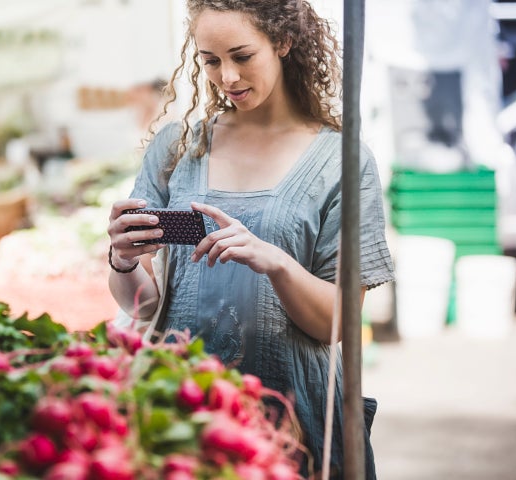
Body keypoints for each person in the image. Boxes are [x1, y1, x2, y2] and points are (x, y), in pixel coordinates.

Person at [107, 1, 394, 478]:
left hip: (293, 419)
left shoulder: (342, 160)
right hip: (181, 411)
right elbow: (143, 306)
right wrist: (122, 258)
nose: (227, 77)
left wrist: (276, 262)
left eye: (242, 56)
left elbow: (339, 322)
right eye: (211, 60)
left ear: (282, 43)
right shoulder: (179, 147)